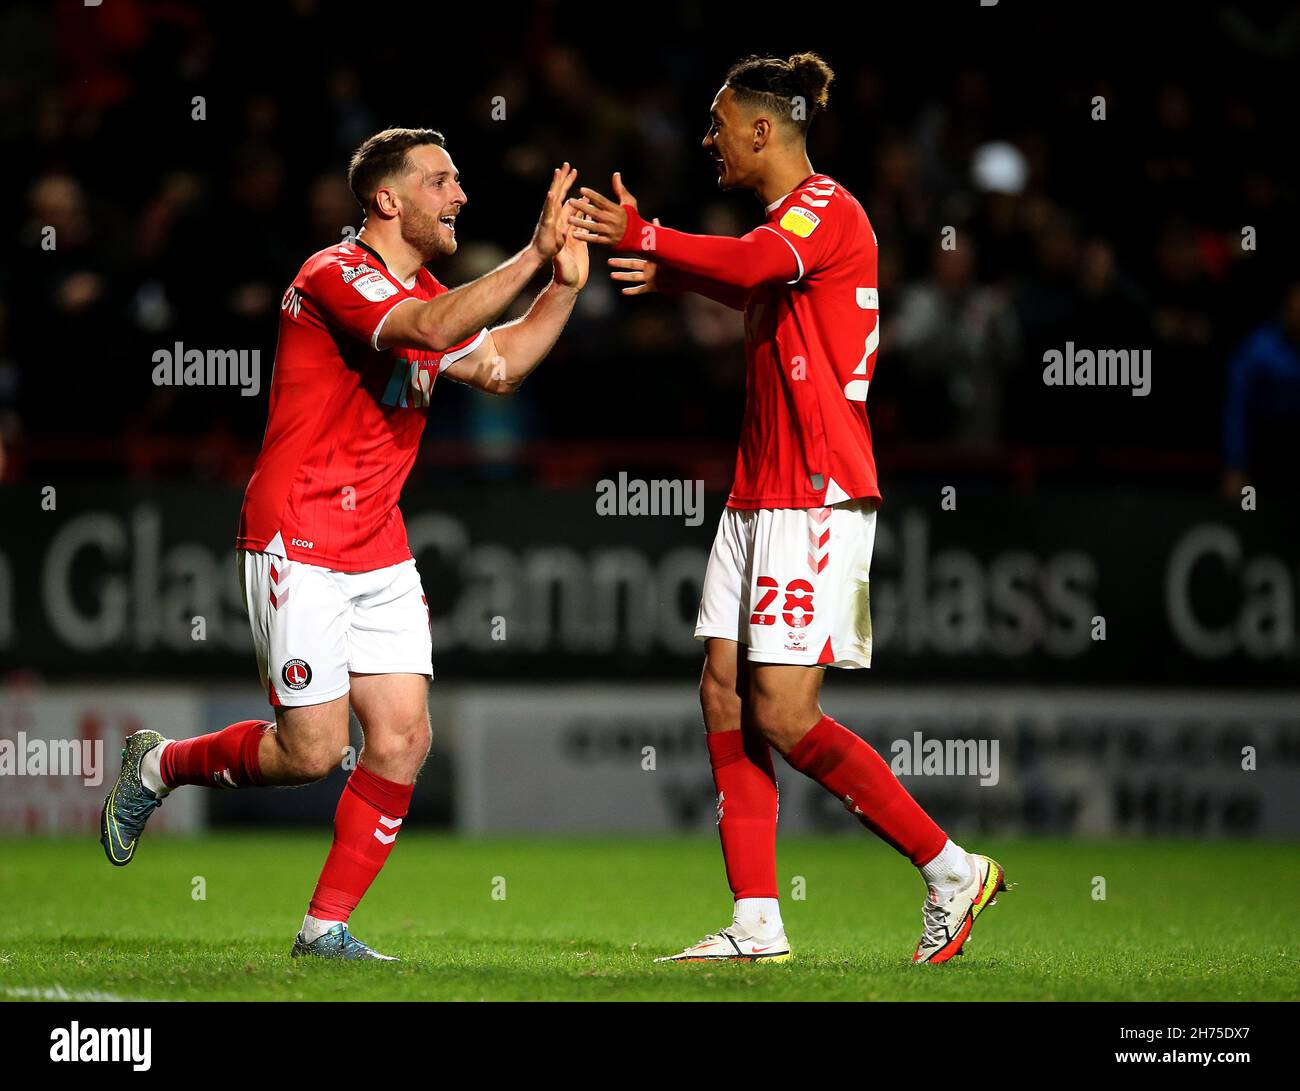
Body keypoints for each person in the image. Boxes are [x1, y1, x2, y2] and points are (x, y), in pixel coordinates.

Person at [99, 128, 588, 960]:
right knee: (311, 751)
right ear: (388, 200)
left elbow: (500, 364)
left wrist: (564, 286)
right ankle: (158, 766)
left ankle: (325, 929)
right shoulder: (334, 275)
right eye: (441, 181)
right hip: (302, 534)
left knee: (402, 737)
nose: (459, 195)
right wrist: (532, 255)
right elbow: (431, 330)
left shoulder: (429, 288)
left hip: (379, 545)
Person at [573, 54, 1006, 964]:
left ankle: (949, 866)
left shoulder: (825, 208)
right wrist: (683, 274)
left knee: (785, 713)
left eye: (718, 123)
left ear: (763, 129)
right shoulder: (787, 228)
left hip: (815, 491)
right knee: (724, 690)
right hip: (758, 490)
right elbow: (751, 276)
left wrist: (650, 237)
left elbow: (754, 262)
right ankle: (757, 920)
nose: (709, 139)